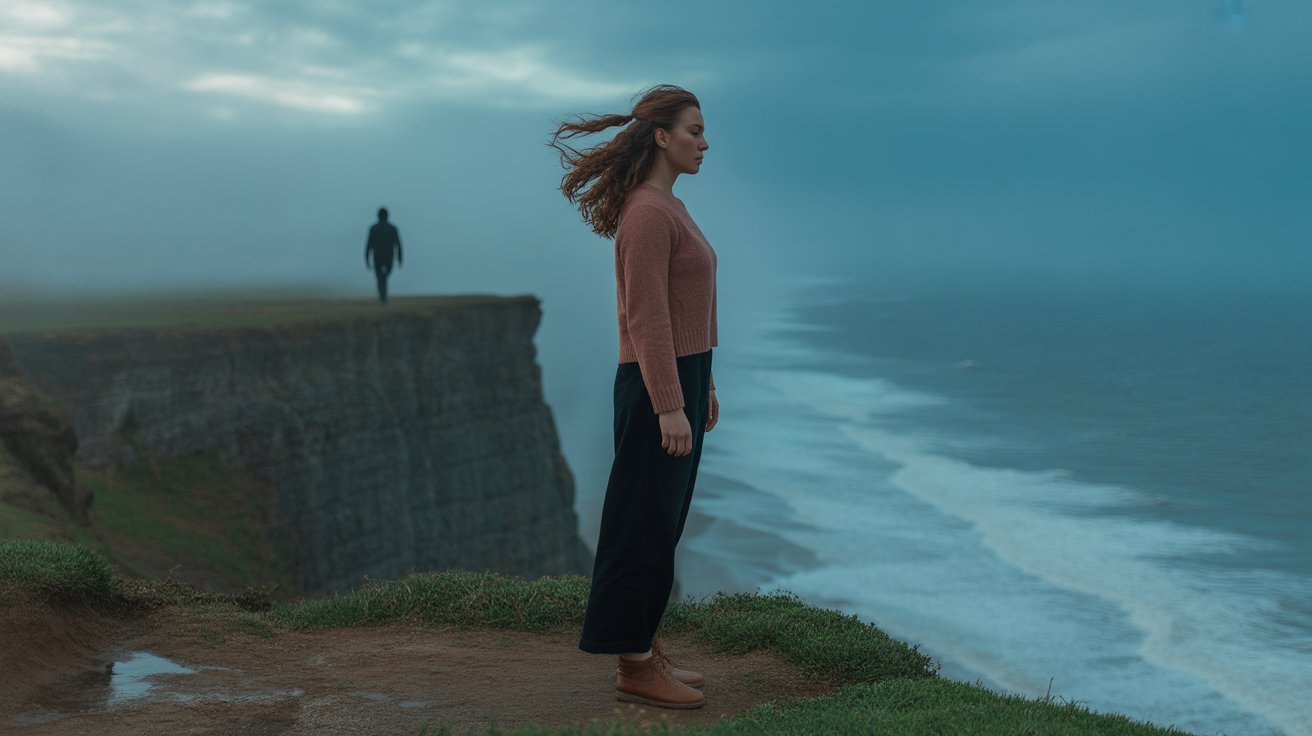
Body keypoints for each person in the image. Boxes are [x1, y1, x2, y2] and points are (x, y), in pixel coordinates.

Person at [551, 85, 719, 709]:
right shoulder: (648, 214)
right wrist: (670, 402)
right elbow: (646, 317)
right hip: (658, 381)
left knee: (662, 523)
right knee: (641, 525)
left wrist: (705, 385)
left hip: (682, 376)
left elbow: (687, 306)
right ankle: (635, 666)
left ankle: (644, 646)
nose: (705, 143)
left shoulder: (669, 207)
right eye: (694, 131)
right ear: (661, 137)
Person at [365, 208, 403, 304]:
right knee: (384, 276)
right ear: (387, 216)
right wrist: (399, 258)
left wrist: (367, 259)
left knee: (380, 277)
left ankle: (382, 297)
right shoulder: (392, 228)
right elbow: (398, 245)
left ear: (378, 216)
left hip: (377, 257)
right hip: (388, 257)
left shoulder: (373, 228)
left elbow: (368, 246)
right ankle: (383, 297)